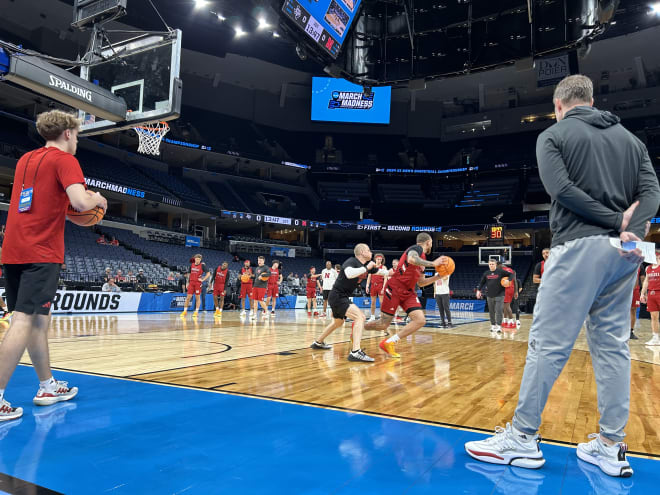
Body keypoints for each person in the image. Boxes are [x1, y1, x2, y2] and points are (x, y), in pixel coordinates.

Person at [464, 74, 660, 478]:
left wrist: (610, 220)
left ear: (558, 106)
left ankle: (521, 439)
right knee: (612, 348)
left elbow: (561, 189)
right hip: (624, 256)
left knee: (548, 346)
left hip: (578, 248)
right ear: (592, 100)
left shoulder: (554, 136)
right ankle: (610, 445)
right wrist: (631, 228)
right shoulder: (631, 140)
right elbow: (653, 191)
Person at [0, 109, 107, 422]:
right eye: (77, 137)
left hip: (14, 247)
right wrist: (98, 199)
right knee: (23, 319)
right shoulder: (65, 160)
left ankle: (47, 386)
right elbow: (81, 203)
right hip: (42, 250)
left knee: (37, 321)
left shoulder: (26, 159)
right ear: (69, 134)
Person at [363, 233, 446, 358]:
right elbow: (411, 259)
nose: (431, 245)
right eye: (432, 243)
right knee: (383, 324)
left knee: (420, 320)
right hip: (395, 287)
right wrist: (433, 264)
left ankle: (389, 342)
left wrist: (437, 277)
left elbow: (421, 283)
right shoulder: (416, 249)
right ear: (428, 242)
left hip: (408, 292)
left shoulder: (422, 260)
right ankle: (358, 326)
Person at [311, 244, 388, 362]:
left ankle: (318, 342)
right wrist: (366, 269)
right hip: (338, 296)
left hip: (339, 296)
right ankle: (356, 352)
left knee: (338, 322)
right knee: (360, 317)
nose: (371, 252)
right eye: (368, 250)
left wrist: (398, 271)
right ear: (362, 252)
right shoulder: (352, 261)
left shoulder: (366, 266)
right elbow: (348, 273)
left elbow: (384, 273)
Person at [476, 260, 510, 333]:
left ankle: (499, 326)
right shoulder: (486, 273)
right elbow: (482, 282)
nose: (491, 265)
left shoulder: (501, 271)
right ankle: (493, 325)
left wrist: (508, 280)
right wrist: (478, 290)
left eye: (492, 264)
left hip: (500, 294)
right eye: (490, 264)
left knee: (499, 310)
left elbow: (512, 274)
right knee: (491, 311)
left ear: (496, 264)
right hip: (489, 295)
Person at [641, 250, 660, 346]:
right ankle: (656, 338)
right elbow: (646, 281)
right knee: (653, 317)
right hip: (651, 294)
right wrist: (642, 293)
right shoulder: (648, 268)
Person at [180, 254, 208, 318]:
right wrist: (187, 282)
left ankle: (196, 312)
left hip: (198, 283)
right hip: (191, 283)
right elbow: (189, 274)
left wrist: (203, 279)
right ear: (195, 259)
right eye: (197, 259)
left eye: (199, 259)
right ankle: (185, 311)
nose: (198, 260)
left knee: (197, 297)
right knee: (188, 297)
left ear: (200, 260)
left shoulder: (202, 266)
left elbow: (208, 273)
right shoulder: (192, 265)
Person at [366, 254, 387, 321]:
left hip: (380, 285)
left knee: (381, 302)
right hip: (373, 286)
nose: (379, 260)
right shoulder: (372, 267)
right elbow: (369, 277)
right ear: (375, 259)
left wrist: (384, 288)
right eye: (378, 259)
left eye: (380, 259)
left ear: (382, 260)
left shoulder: (383, 267)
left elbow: (386, 278)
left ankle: (382, 317)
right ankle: (372, 316)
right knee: (372, 302)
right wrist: (367, 286)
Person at [250, 256, 271, 320]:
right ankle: (255, 315)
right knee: (255, 301)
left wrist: (262, 275)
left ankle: (267, 312)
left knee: (261, 301)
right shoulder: (257, 268)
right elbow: (256, 277)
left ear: (263, 261)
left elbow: (269, 274)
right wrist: (250, 277)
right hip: (255, 286)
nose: (259, 262)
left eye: (261, 260)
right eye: (258, 260)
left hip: (262, 286)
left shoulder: (266, 267)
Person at [501, 264, 518, 330]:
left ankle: (511, 321)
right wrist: (516, 291)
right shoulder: (513, 271)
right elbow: (515, 281)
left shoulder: (502, 270)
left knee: (507, 306)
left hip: (506, 289)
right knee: (505, 305)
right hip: (512, 289)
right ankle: (505, 320)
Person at [629, 268, 643, 340]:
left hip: (635, 290)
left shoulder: (640, 265)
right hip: (624, 289)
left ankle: (630, 331)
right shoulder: (623, 261)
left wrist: (643, 291)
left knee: (633, 310)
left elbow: (642, 278)